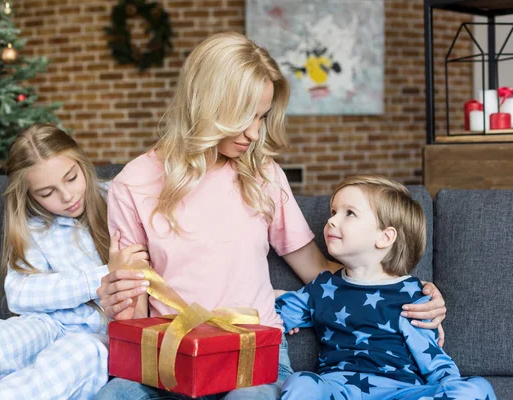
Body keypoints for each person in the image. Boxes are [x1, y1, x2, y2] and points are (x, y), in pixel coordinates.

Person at [94, 32, 447, 400]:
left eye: (261, 116)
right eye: (243, 116)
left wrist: (406, 292)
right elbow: (133, 318)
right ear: (206, 106)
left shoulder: (263, 174)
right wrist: (119, 296)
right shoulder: (131, 185)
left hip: (253, 356)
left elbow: (318, 269)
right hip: (171, 357)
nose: (254, 132)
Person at [0, 124, 147, 399]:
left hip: (97, 338)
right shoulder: (35, 224)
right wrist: (104, 276)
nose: (67, 196)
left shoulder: (117, 198)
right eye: (47, 193)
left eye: (71, 178)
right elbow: (20, 294)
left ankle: (19, 380)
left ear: (83, 163)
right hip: (48, 324)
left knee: (70, 359)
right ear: (29, 195)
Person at [276, 175, 495, 400]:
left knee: (476, 387)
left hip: (401, 392)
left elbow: (433, 361)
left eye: (349, 213)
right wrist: (275, 297)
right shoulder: (322, 288)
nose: (331, 221)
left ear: (385, 237)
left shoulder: (412, 296)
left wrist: (452, 388)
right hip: (339, 390)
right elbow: (270, 315)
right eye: (333, 212)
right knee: (301, 382)